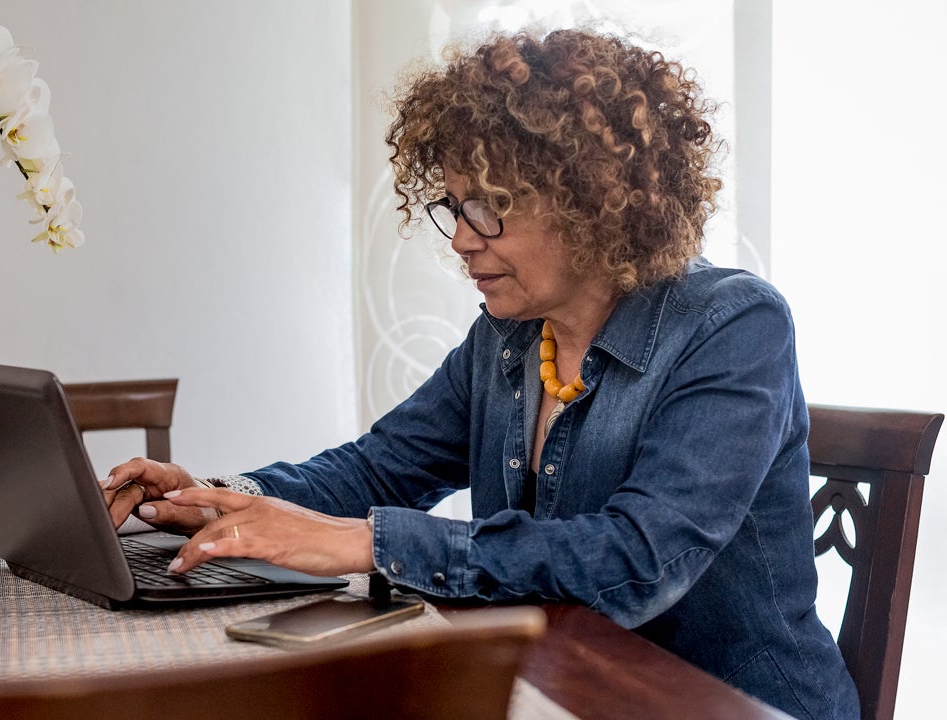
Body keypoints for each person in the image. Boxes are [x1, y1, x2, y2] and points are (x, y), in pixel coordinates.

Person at [101, 28, 858, 720]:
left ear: (594, 200)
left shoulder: (733, 326)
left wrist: (365, 543)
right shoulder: (508, 334)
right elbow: (379, 467)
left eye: (491, 207)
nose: (461, 240)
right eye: (454, 206)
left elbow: (636, 560)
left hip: (721, 706)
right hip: (553, 691)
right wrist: (223, 501)